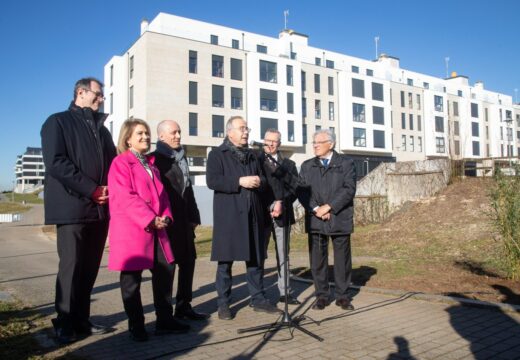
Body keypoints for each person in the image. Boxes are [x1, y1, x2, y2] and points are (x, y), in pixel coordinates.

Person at [41, 77, 117, 344]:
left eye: (102, 95)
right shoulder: (57, 122)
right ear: (81, 92)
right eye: (98, 94)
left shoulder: (102, 130)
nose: (101, 99)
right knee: (71, 267)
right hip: (72, 206)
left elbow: (113, 164)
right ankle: (63, 321)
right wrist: (92, 189)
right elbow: (56, 163)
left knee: (89, 268)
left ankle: (82, 320)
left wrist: (109, 188)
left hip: (99, 209)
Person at [107, 118, 189, 342]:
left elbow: (162, 198)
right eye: (140, 134)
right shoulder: (121, 163)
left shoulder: (150, 164)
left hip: (156, 230)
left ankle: (164, 320)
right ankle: (136, 325)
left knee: (166, 271)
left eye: (146, 133)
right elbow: (125, 197)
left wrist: (166, 218)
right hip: (133, 230)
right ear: (128, 139)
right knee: (131, 280)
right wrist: (150, 219)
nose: (145, 137)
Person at [206, 116, 282, 320]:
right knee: (225, 263)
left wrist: (260, 181)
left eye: (247, 128)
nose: (246, 132)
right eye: (242, 128)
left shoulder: (253, 156)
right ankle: (223, 304)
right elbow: (213, 181)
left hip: (253, 214)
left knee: (256, 260)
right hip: (229, 216)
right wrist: (240, 181)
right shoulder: (216, 154)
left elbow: (265, 181)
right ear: (230, 132)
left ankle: (258, 299)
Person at [152, 120, 209, 321]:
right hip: (167, 224)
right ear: (161, 137)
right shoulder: (155, 160)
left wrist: (194, 217)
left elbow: (188, 189)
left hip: (185, 223)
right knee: (166, 270)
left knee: (188, 263)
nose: (178, 135)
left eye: (179, 132)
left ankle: (184, 306)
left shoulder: (182, 159)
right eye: (173, 132)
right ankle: (164, 316)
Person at [299, 129, 357, 311]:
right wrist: (316, 208)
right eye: (313, 142)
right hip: (316, 219)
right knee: (318, 260)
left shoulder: (346, 163)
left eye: (318, 142)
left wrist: (329, 206)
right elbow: (301, 191)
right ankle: (322, 296)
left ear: (330, 144)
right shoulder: (307, 166)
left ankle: (343, 296)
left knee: (342, 260)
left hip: (339, 217)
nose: (314, 145)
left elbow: (349, 189)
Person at [258, 129, 300, 305]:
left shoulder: (288, 165)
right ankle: (258, 294)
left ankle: (285, 292)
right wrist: (269, 204)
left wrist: (281, 202)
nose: (271, 144)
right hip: (262, 215)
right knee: (259, 255)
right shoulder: (256, 161)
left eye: (274, 141)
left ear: (279, 143)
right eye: (268, 140)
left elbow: (294, 188)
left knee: (283, 254)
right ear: (263, 141)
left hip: (283, 215)